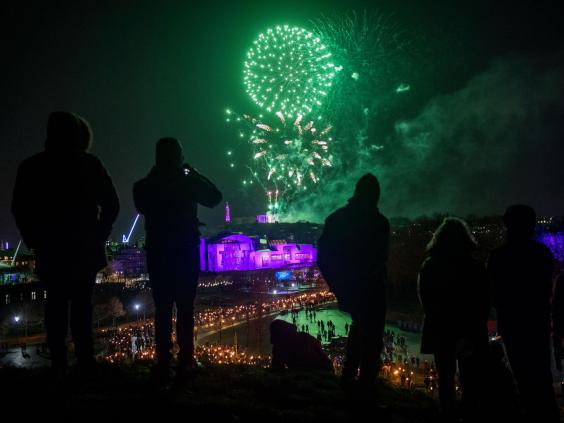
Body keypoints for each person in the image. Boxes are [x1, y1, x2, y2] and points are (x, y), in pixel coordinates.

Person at [12, 112, 119, 379]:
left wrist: (34, 239)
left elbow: (19, 208)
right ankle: (85, 362)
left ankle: (58, 363)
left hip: (51, 248)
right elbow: (112, 204)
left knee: (55, 307)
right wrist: (99, 234)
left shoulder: (33, 166)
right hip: (84, 247)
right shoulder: (89, 164)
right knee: (82, 306)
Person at [133, 137, 222, 387]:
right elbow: (215, 197)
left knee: (162, 308)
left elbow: (142, 202)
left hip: (159, 252)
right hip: (185, 251)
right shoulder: (188, 182)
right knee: (185, 308)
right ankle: (186, 360)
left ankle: (163, 362)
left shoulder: (143, 186)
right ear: (179, 157)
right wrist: (193, 172)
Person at [488, 205, 560, 422]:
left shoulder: (498, 256)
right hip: (537, 321)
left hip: (512, 323)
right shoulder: (542, 254)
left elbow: (491, 294)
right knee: (542, 378)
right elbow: (548, 289)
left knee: (522, 377)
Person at [318, 173, 389, 388]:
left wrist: (337, 284)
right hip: (372, 287)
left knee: (359, 328)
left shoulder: (336, 219)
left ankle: (349, 378)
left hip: (349, 286)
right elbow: (382, 259)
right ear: (376, 195)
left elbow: (323, 257)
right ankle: (366, 384)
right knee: (372, 336)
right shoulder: (379, 222)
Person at [418, 217, 489, 421]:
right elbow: (483, 302)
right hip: (469, 330)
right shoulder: (475, 267)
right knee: (470, 379)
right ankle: (470, 413)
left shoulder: (430, 266)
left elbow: (426, 299)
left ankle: (447, 413)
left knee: (445, 378)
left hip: (441, 330)